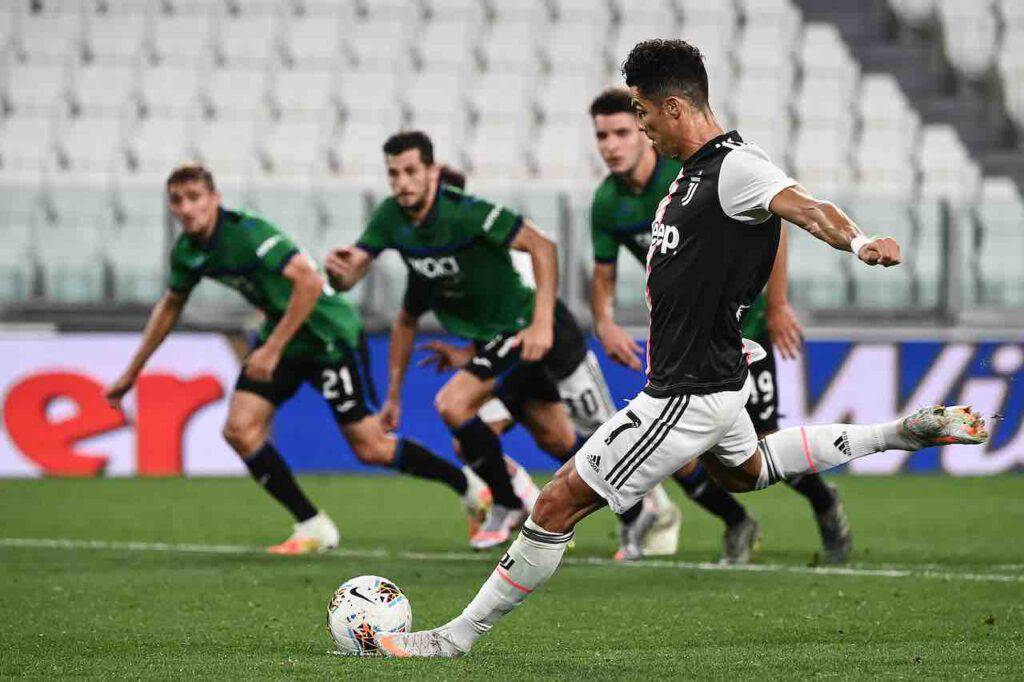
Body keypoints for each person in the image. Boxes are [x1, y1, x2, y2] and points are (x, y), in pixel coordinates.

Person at [375, 39, 988, 658]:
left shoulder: (737, 168)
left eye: (641, 113)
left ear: (671, 107)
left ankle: (453, 640)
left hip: (686, 391)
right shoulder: (689, 176)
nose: (639, 128)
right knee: (747, 472)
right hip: (716, 380)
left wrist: (857, 243)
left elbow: (809, 208)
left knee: (557, 500)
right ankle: (897, 434)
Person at [105, 164, 490, 555]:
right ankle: (312, 524)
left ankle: (468, 486)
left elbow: (307, 281)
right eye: (177, 200)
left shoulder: (247, 234)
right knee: (240, 429)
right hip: (286, 337)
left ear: (214, 199)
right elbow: (170, 307)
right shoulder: (188, 252)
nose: (187, 208)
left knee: (371, 447)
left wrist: (270, 350)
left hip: (328, 335)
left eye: (194, 198)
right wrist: (132, 372)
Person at [326, 131, 665, 553]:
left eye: (411, 171)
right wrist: (340, 275)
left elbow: (542, 245)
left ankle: (507, 502)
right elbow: (362, 279)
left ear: (431, 172)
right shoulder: (394, 223)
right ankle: (634, 508)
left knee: (454, 405)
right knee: (556, 440)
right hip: (501, 344)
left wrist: (540, 323)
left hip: (529, 328)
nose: (402, 182)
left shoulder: (466, 214)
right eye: (393, 174)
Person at [588, 86, 852, 563]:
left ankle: (823, 501)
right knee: (680, 448)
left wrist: (777, 305)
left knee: (764, 443)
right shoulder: (607, 204)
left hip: (744, 329)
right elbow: (602, 276)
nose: (612, 144)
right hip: (686, 338)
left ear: (644, 129)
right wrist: (604, 321)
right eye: (602, 135)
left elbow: (769, 216)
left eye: (623, 131)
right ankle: (737, 521)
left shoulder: (692, 169)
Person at [411, 165, 682, 560]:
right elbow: (496, 329)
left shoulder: (499, 247)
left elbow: (526, 311)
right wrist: (469, 356)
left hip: (558, 353)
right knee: (498, 437)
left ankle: (646, 509)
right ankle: (536, 502)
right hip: (514, 361)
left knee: (598, 438)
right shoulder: (450, 262)